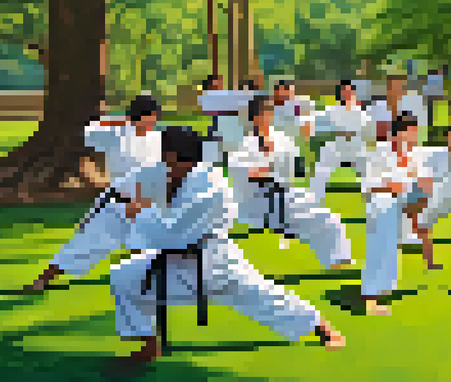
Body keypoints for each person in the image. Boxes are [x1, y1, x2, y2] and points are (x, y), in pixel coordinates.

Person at [110, 126, 344, 363]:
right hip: (181, 263)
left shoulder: (209, 186)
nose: (163, 162)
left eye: (165, 156)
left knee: (267, 297)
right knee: (123, 276)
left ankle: (320, 326)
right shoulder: (179, 178)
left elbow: (174, 233)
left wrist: (139, 214)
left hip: (216, 265)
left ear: (177, 157)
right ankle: (149, 343)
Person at [27, 94, 163, 293]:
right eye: (150, 116)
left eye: (155, 117)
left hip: (147, 205)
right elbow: (88, 129)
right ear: (138, 116)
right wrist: (120, 120)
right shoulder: (115, 134)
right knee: (84, 244)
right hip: (117, 204)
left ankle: (151, 284)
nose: (153, 121)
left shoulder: (158, 139)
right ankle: (43, 279)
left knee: (155, 247)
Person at [226, 95, 353, 266]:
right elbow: (244, 172)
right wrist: (267, 164)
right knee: (319, 218)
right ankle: (336, 259)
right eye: (264, 112)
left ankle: (337, 258)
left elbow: (293, 167)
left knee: (327, 216)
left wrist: (274, 161)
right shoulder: (244, 143)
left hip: (286, 193)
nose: (268, 115)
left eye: (270, 111)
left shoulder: (280, 139)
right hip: (261, 201)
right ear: (255, 116)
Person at [360, 113, 442, 315]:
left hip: (408, 202)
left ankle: (383, 286)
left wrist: (417, 188)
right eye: (408, 133)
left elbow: (424, 183)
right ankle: (370, 298)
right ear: (395, 135)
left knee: (420, 206)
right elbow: (367, 186)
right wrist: (390, 186)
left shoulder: (417, 156)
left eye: (414, 133)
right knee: (382, 228)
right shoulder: (379, 153)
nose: (411, 139)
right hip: (383, 200)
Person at [307, 80, 373, 207]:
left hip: (356, 149)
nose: (347, 95)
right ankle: (314, 199)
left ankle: (370, 200)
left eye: (349, 92)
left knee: (368, 165)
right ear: (340, 94)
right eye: (344, 92)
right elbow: (317, 125)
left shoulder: (362, 113)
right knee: (322, 164)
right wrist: (337, 132)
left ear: (354, 93)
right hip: (337, 148)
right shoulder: (332, 110)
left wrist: (353, 134)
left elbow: (369, 133)